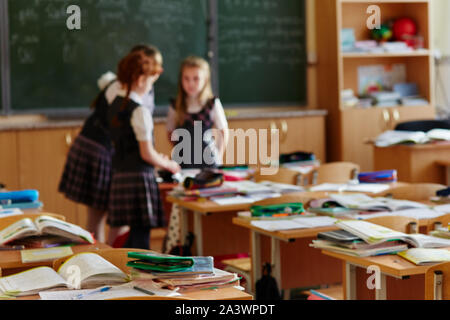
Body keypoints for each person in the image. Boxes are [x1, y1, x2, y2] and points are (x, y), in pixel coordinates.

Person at [58, 44, 159, 244]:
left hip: (105, 150)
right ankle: (100, 263)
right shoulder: (123, 92)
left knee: (111, 218)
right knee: (102, 216)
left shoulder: (128, 88)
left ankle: (105, 259)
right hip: (99, 150)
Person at [107, 49, 180, 250]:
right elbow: (146, 153)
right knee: (140, 242)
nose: (151, 85)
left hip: (121, 175)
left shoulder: (114, 104)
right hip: (138, 179)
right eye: (150, 80)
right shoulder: (139, 111)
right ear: (140, 79)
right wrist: (168, 163)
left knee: (130, 243)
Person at [166, 56, 229, 169]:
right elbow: (170, 133)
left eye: (196, 78)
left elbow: (223, 132)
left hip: (209, 162)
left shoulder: (212, 103)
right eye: (186, 78)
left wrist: (218, 156)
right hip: (182, 164)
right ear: (181, 79)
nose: (190, 83)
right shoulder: (175, 105)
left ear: (205, 79)